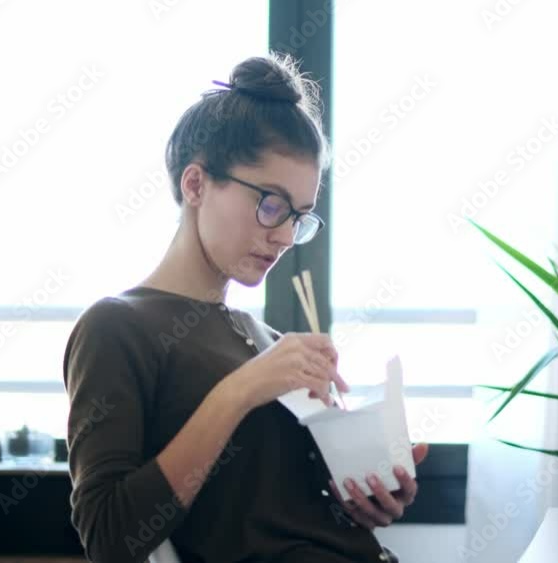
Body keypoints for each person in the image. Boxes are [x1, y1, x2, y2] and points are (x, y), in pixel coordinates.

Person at [62, 51, 428, 563]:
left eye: (297, 216)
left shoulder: (266, 339)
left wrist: (363, 497)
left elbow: (281, 511)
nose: (282, 237)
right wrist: (241, 389)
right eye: (271, 203)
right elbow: (110, 539)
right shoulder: (116, 326)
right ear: (196, 184)